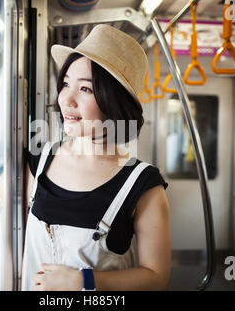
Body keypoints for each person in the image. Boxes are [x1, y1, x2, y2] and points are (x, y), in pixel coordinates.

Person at [21, 24, 171, 291]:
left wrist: (84, 282)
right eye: (65, 83)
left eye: (86, 89)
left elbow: (156, 277)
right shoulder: (39, 160)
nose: (67, 99)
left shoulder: (142, 184)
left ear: (113, 101)